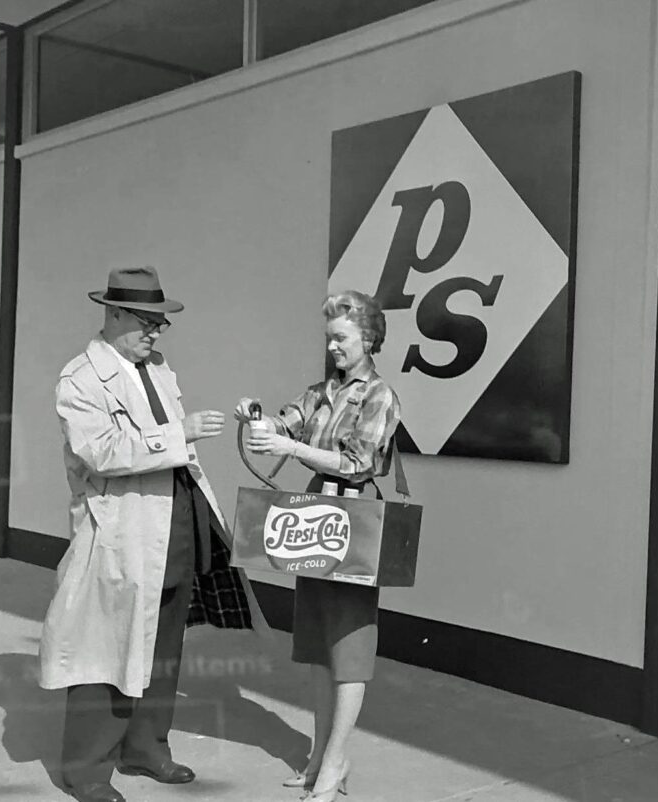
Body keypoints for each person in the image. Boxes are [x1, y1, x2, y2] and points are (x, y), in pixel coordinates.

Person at [39, 266, 267, 802]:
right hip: (120, 531)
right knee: (104, 651)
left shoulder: (159, 369)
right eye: (146, 322)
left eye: (161, 324)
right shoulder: (81, 379)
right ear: (113, 313)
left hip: (173, 525)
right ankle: (88, 771)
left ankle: (146, 749)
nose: (154, 333)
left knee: (164, 645)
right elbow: (99, 452)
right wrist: (178, 433)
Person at [235, 290, 400, 802]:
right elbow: (283, 424)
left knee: (348, 648)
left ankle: (335, 761)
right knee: (316, 646)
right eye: (329, 338)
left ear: (369, 339)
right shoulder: (319, 393)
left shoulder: (379, 396)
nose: (333, 347)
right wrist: (256, 419)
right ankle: (318, 754)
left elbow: (358, 463)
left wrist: (293, 448)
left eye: (342, 338)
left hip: (353, 518)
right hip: (313, 517)